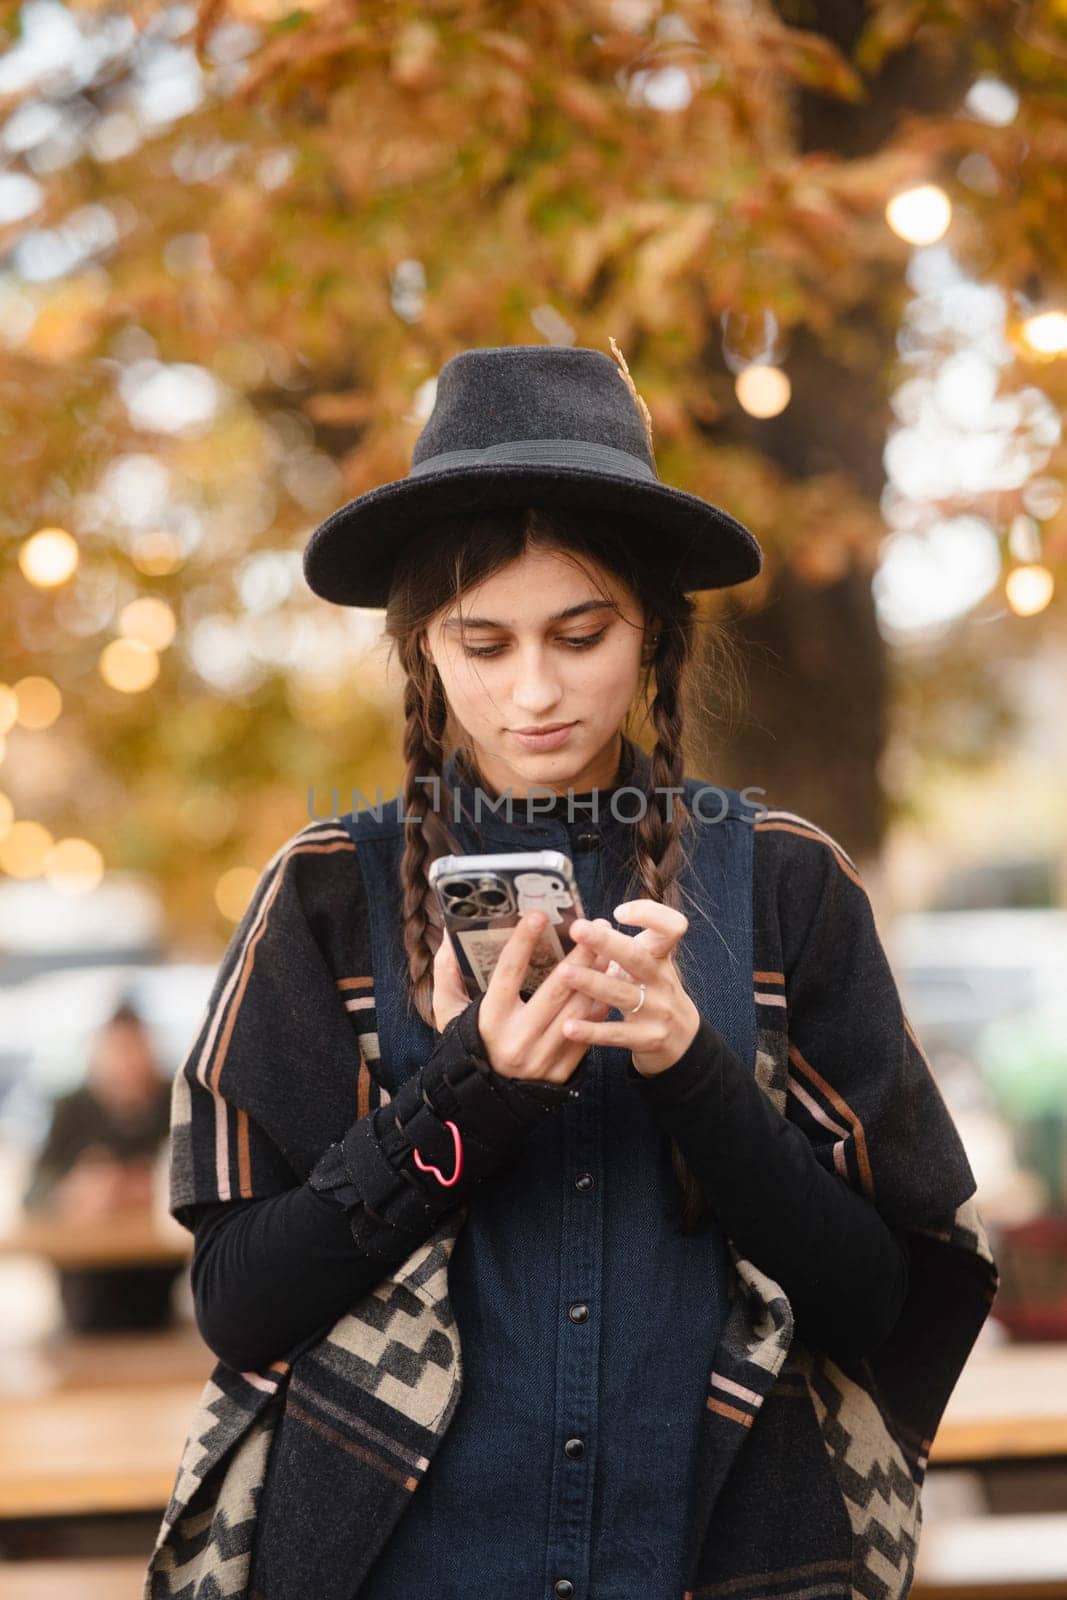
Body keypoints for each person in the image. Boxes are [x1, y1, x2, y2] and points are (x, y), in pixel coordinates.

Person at [147, 345, 998, 1600]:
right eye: (481, 643)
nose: (532, 690)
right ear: (421, 649)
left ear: (651, 627)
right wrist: (468, 1093)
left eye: (578, 633)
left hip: (719, 1562)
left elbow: (877, 1297)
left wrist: (694, 1073)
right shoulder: (324, 893)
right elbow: (239, 1303)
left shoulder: (781, 884)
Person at [24, 998, 178, 1332]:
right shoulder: (71, 1108)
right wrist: (72, 1191)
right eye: (116, 1050)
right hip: (85, 1281)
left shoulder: (175, 1101)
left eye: (134, 1048)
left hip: (155, 1274)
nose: (126, 1062)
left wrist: (150, 1186)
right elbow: (32, 1192)